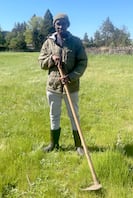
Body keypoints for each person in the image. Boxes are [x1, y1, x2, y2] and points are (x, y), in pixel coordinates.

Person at [38, 13, 87, 155]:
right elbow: (41, 62)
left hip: (71, 87)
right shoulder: (49, 42)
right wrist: (52, 59)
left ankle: (78, 146)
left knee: (74, 115)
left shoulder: (76, 42)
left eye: (63, 23)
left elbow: (82, 63)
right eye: (58, 23)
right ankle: (54, 144)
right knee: (54, 114)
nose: (60, 26)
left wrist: (70, 77)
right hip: (53, 87)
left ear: (68, 25)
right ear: (54, 25)